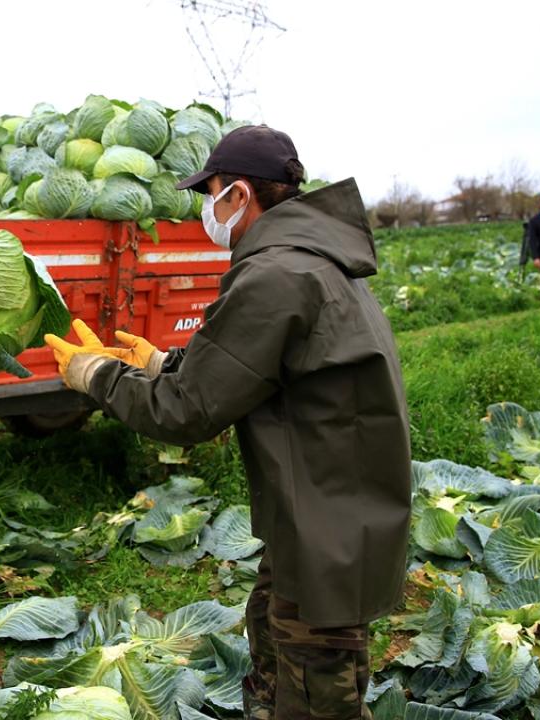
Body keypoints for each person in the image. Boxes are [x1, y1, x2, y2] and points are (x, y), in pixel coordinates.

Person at [44, 126, 412, 720]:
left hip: (329, 528)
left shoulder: (277, 274)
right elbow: (256, 371)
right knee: (275, 651)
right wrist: (160, 364)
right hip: (328, 514)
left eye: (209, 193)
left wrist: (96, 376)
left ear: (239, 195)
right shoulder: (311, 261)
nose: (205, 210)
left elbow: (187, 411)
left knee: (318, 698)